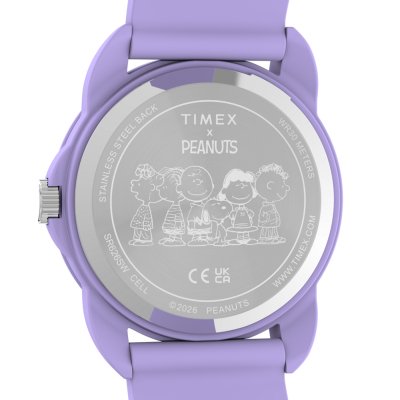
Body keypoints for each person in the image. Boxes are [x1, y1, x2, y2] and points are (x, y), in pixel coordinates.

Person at [219, 169, 258, 245]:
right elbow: (232, 215)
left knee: (246, 231)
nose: (241, 189)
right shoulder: (235, 210)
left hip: (247, 223)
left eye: (246, 186)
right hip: (237, 224)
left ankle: (246, 239)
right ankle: (239, 239)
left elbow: (251, 214)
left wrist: (250, 214)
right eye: (236, 186)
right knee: (239, 231)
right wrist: (232, 216)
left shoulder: (246, 209)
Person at [255, 164, 290, 244]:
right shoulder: (266, 207)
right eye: (282, 185)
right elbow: (262, 216)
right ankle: (265, 238)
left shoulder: (270, 205)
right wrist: (264, 222)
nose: (287, 188)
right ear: (270, 186)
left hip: (272, 223)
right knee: (267, 230)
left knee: (272, 230)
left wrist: (276, 221)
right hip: (267, 224)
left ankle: (273, 237)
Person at [179, 166, 214, 246]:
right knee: (195, 227)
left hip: (203, 219)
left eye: (201, 181)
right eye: (193, 181)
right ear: (180, 188)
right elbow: (191, 218)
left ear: (212, 186)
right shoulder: (193, 208)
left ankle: (204, 237)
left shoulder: (204, 207)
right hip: (195, 218)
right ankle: (196, 238)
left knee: (204, 227)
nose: (198, 183)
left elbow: (207, 217)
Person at [129, 164, 162, 246]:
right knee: (138, 226)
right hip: (142, 212)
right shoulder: (143, 207)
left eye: (140, 182)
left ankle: (146, 240)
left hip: (144, 212)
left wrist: (146, 224)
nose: (133, 182)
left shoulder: (146, 208)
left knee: (144, 227)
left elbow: (147, 219)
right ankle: (137, 238)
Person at [157, 167, 186, 246]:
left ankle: (177, 239)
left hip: (176, 225)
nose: (159, 189)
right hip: (173, 224)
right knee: (172, 228)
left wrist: (178, 225)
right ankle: (172, 237)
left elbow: (178, 218)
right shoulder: (174, 206)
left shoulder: (176, 208)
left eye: (164, 187)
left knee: (175, 228)